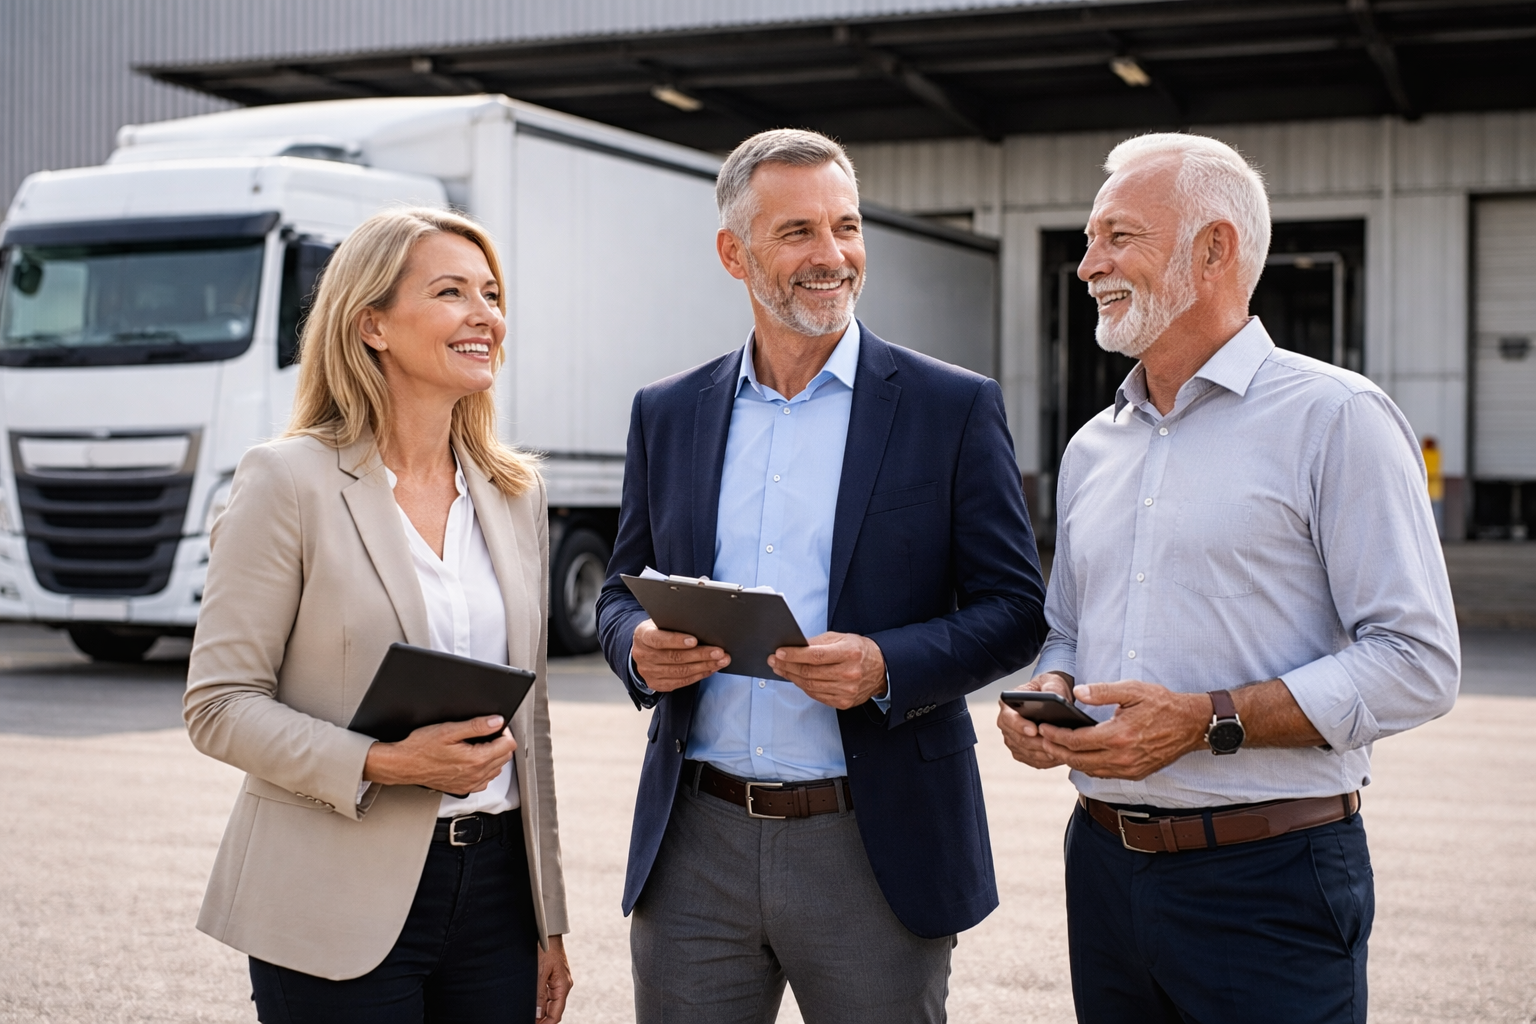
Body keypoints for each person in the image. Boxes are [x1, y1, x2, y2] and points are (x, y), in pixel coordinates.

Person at [996, 133, 1460, 1024]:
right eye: (1089, 241)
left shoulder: (1338, 418)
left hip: (1270, 882)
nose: (1088, 264)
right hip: (1102, 867)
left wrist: (1208, 722)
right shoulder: (1096, 446)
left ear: (1214, 248)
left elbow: (1417, 661)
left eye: (1117, 237)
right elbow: (1066, 629)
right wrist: (1050, 691)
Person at [594, 128, 1048, 1024]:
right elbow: (619, 589)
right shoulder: (669, 412)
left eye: (846, 226)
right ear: (735, 252)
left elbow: (1015, 609)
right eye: (798, 231)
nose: (832, 255)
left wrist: (886, 664)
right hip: (696, 845)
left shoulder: (951, 407)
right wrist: (637, 649)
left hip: (873, 843)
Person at [184, 208, 573, 1023]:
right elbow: (218, 708)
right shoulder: (286, 481)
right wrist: (383, 764)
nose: (485, 316)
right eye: (450, 292)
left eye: (492, 294)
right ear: (372, 325)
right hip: (329, 895)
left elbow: (529, 729)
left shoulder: (515, 493)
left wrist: (550, 923)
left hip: (498, 896)